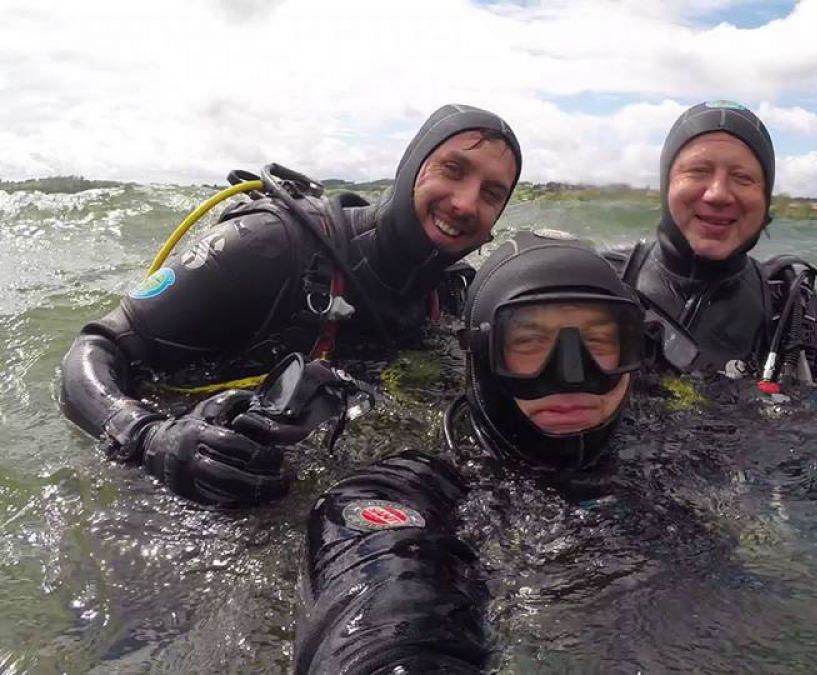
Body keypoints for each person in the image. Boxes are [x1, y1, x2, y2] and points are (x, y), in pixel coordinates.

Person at [58, 104, 522, 507]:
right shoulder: (267, 243)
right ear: (411, 168)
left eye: (491, 194)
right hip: (177, 468)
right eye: (452, 170)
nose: (466, 203)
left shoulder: (452, 295)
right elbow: (95, 348)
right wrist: (146, 437)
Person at [292, 230, 644, 672]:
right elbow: (384, 601)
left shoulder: (669, 453)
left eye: (600, 340)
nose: (572, 374)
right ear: (480, 355)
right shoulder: (415, 489)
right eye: (529, 342)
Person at [606, 100, 817, 387]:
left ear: (765, 199)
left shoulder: (800, 317)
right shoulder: (600, 283)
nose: (718, 194)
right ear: (666, 184)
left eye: (742, 177)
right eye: (698, 170)